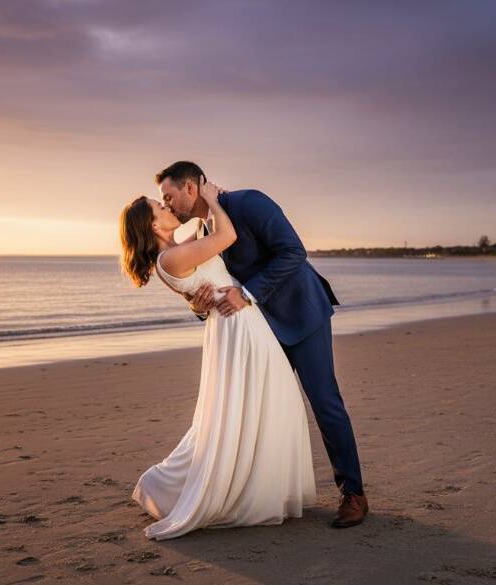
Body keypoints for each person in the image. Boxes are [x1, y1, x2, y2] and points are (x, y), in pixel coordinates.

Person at [157, 161, 367, 528]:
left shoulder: (248, 202)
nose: (168, 205)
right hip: (257, 330)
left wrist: (247, 293)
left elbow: (294, 252)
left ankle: (353, 493)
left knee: (325, 403)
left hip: (301, 314)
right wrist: (199, 304)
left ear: (190, 187)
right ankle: (268, 491)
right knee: (264, 409)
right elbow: (206, 284)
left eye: (169, 196)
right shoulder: (206, 229)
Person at [119, 176, 316, 540]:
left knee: (258, 404)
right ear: (153, 225)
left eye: (165, 200)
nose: (167, 206)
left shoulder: (173, 252)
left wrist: (205, 205)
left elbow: (200, 235)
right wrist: (212, 198)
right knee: (260, 402)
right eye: (160, 207)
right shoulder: (171, 257)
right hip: (236, 325)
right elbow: (227, 237)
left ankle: (244, 483)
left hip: (236, 323)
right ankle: (229, 489)